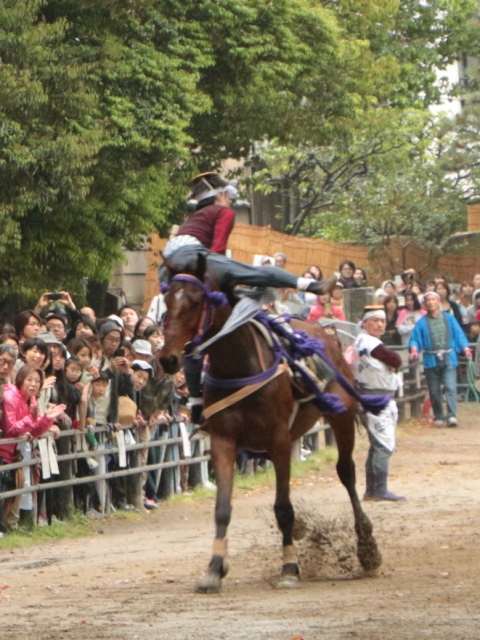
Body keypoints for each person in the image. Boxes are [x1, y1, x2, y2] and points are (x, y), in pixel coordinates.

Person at [161, 172, 337, 297]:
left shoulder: (195, 218)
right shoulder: (224, 212)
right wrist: (225, 273)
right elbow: (218, 248)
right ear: (221, 195)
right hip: (191, 255)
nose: (230, 201)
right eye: (228, 196)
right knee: (257, 272)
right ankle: (312, 286)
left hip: (168, 265)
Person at [0, 365, 65, 530]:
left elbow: (34, 431)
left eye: (37, 381)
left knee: (13, 493)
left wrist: (46, 419)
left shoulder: (31, 399)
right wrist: (30, 418)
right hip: (4, 451)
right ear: (20, 379)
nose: (33, 384)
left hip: (17, 453)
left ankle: (10, 527)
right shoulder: (10, 397)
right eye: (29, 379)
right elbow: (11, 429)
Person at [352, 306, 404, 502]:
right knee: (383, 445)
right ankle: (378, 489)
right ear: (365, 323)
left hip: (372, 397)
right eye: (375, 320)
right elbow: (394, 358)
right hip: (376, 399)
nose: (380, 324)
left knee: (376, 445)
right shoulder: (369, 341)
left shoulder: (360, 341)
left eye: (382, 321)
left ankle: (372, 489)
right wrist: (394, 363)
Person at [409, 291, 472, 427]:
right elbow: (415, 339)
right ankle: (439, 415)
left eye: (433, 299)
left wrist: (465, 348)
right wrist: (414, 349)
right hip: (430, 359)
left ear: (438, 302)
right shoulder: (421, 323)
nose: (431, 302)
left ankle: (451, 415)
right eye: (428, 301)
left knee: (450, 387)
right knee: (434, 389)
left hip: (449, 357)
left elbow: (459, 334)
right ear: (424, 304)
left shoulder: (449, 318)